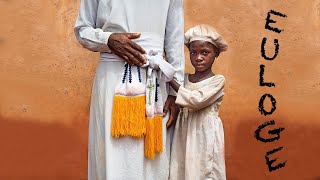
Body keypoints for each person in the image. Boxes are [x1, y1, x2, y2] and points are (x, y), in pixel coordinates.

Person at [73, 0, 184, 179]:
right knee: (112, 153)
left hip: (155, 84)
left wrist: (175, 92)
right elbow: (82, 29)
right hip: (112, 81)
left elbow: (175, 38)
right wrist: (108, 39)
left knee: (152, 160)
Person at [169, 24, 228, 180]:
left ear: (216, 53)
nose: (198, 57)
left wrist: (170, 79)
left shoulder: (217, 81)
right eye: (193, 52)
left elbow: (195, 101)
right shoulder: (184, 79)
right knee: (181, 169)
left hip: (204, 135)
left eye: (205, 52)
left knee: (203, 171)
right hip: (184, 133)